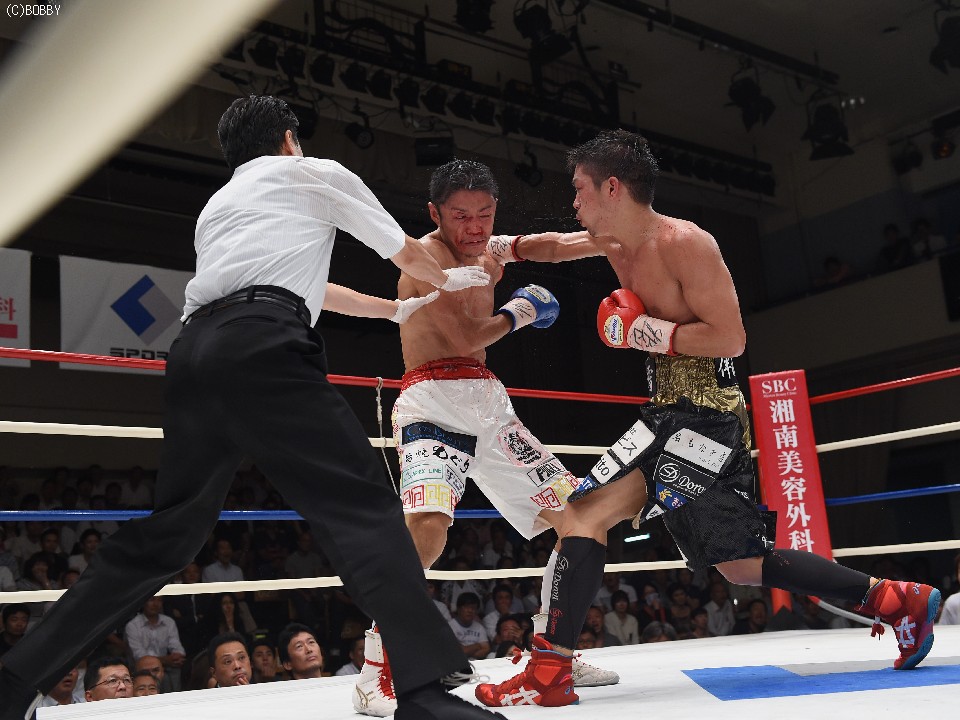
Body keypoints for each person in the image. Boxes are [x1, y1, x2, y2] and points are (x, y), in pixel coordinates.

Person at [0, 95, 503, 720]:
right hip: (263, 346)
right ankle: (424, 691)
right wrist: (456, 276)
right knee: (362, 504)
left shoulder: (220, 206)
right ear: (289, 138)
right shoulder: (313, 172)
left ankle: (14, 681)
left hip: (194, 355)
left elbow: (302, 283)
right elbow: (406, 253)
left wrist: (393, 311)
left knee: (168, 535)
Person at [475, 128, 942, 708]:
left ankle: (550, 673)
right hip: (673, 415)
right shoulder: (611, 240)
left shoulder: (687, 244)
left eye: (580, 189)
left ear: (612, 187)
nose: (574, 201)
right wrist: (499, 247)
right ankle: (899, 600)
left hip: (703, 417)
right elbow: (555, 246)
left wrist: (644, 332)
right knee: (742, 565)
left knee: (582, 515)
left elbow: (731, 337)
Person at [355, 158, 617, 718]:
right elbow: (462, 335)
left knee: (577, 515)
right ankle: (377, 669)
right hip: (431, 402)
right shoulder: (423, 259)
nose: (474, 227)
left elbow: (552, 245)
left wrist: (614, 235)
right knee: (428, 531)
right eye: (461, 216)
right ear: (435, 214)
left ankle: (553, 654)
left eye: (485, 214)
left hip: (489, 405)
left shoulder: (489, 249)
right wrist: (519, 313)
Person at [124, 596, 186, 690]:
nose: (156, 604)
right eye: (152, 600)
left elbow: (177, 647)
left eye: (159, 600)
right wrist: (165, 660)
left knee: (176, 668)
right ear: (143, 603)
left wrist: (177, 656)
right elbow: (139, 656)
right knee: (162, 677)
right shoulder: (132, 625)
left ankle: (176, 696)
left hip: (167, 665)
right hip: (142, 667)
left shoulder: (169, 622)